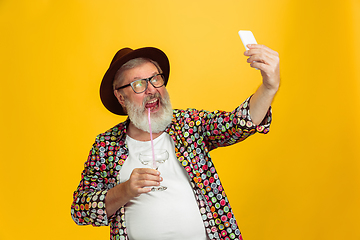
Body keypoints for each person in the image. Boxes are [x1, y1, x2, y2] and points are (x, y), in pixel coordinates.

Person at [71, 45, 280, 240]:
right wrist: (125, 190)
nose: (151, 89)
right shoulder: (106, 145)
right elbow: (80, 210)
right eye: (138, 84)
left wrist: (269, 87)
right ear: (121, 97)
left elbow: (238, 123)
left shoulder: (189, 125)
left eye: (155, 79)